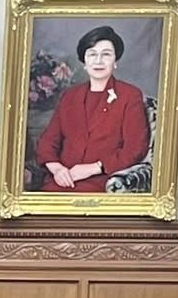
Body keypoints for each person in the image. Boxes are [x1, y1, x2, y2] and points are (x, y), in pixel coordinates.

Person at [35, 26, 150, 193]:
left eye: (106, 54)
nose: (98, 61)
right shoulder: (70, 96)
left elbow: (134, 149)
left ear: (115, 62)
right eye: (92, 54)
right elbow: (48, 141)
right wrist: (57, 168)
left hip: (102, 184)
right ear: (84, 62)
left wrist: (94, 168)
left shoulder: (130, 95)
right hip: (61, 181)